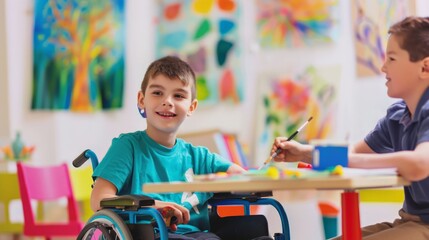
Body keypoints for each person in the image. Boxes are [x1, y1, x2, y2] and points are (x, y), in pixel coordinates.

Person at [271, 16, 429, 240]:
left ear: (425, 67)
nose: (383, 67)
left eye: (392, 59)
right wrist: (304, 152)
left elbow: (419, 164)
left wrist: (347, 160)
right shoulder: (396, 117)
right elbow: (353, 153)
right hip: (409, 220)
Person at [90, 56, 245, 239]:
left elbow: (242, 179)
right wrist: (153, 206)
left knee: (250, 229)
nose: (168, 101)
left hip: (197, 234)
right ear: (141, 99)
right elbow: (99, 199)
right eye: (157, 93)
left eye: (178, 95)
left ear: (191, 107)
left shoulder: (199, 157)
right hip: (147, 234)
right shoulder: (128, 147)